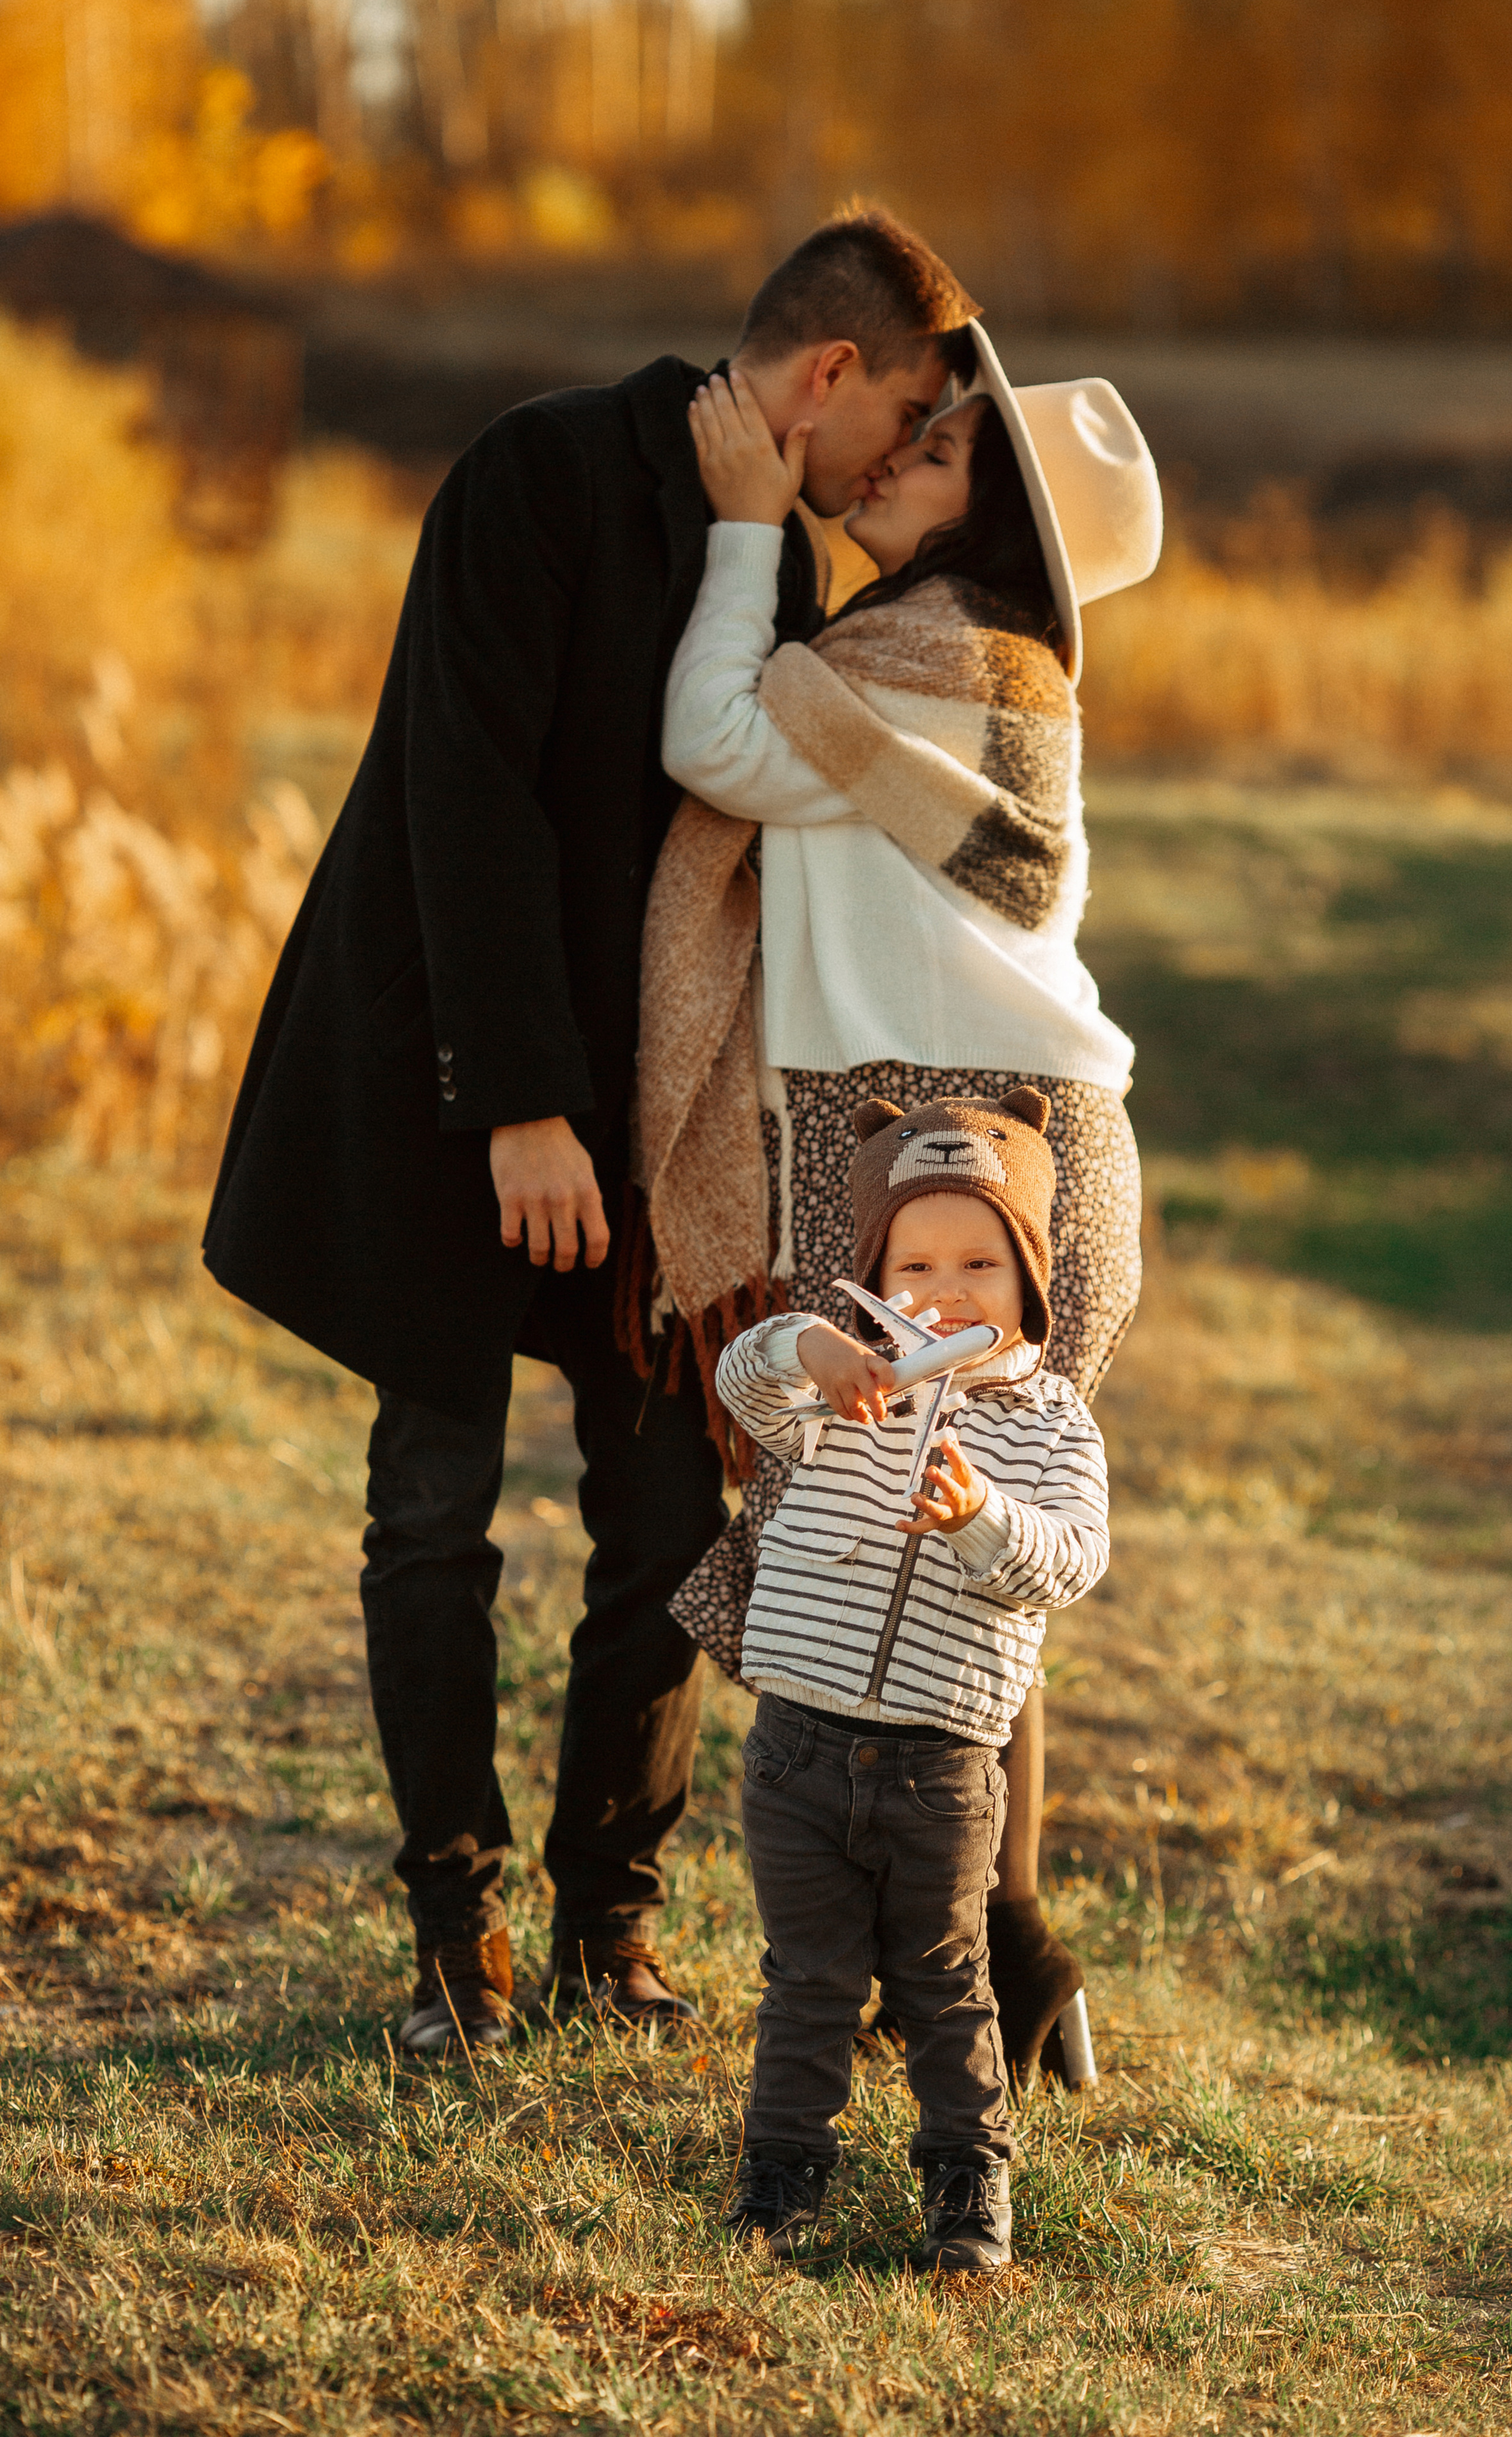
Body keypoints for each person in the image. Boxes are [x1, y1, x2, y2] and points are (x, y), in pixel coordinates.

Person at [202, 206, 983, 2055]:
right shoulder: (532, 469)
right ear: (830, 377)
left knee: (665, 1513)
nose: (905, 469)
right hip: (454, 1088)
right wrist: (524, 1108)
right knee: (434, 1506)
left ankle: (604, 1926)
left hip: (659, 1134)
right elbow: (461, 800)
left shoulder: (778, 569)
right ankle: (453, 1932)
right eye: (911, 427)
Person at [630, 325, 1161, 2081]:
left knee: (899, 1532)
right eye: (911, 429)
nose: (893, 458)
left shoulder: (943, 665)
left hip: (931, 1136)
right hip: (1007, 1131)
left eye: (933, 452)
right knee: (935, 1549)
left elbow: (714, 734)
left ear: (984, 517)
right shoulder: (960, 665)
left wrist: (739, 523)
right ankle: (1001, 1967)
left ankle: (952, 1963)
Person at [714, 1088, 1110, 2269]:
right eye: (918, 1260)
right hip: (796, 1748)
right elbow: (746, 1384)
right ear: (877, 1275)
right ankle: (780, 2184)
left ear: (1030, 1275)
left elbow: (1074, 1560)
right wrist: (807, 1344)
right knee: (808, 1985)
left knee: (946, 1987)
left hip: (942, 1767)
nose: (949, 1287)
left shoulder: (1052, 1425)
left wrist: (984, 1519)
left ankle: (968, 2191)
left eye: (981, 1260)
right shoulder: (848, 1392)